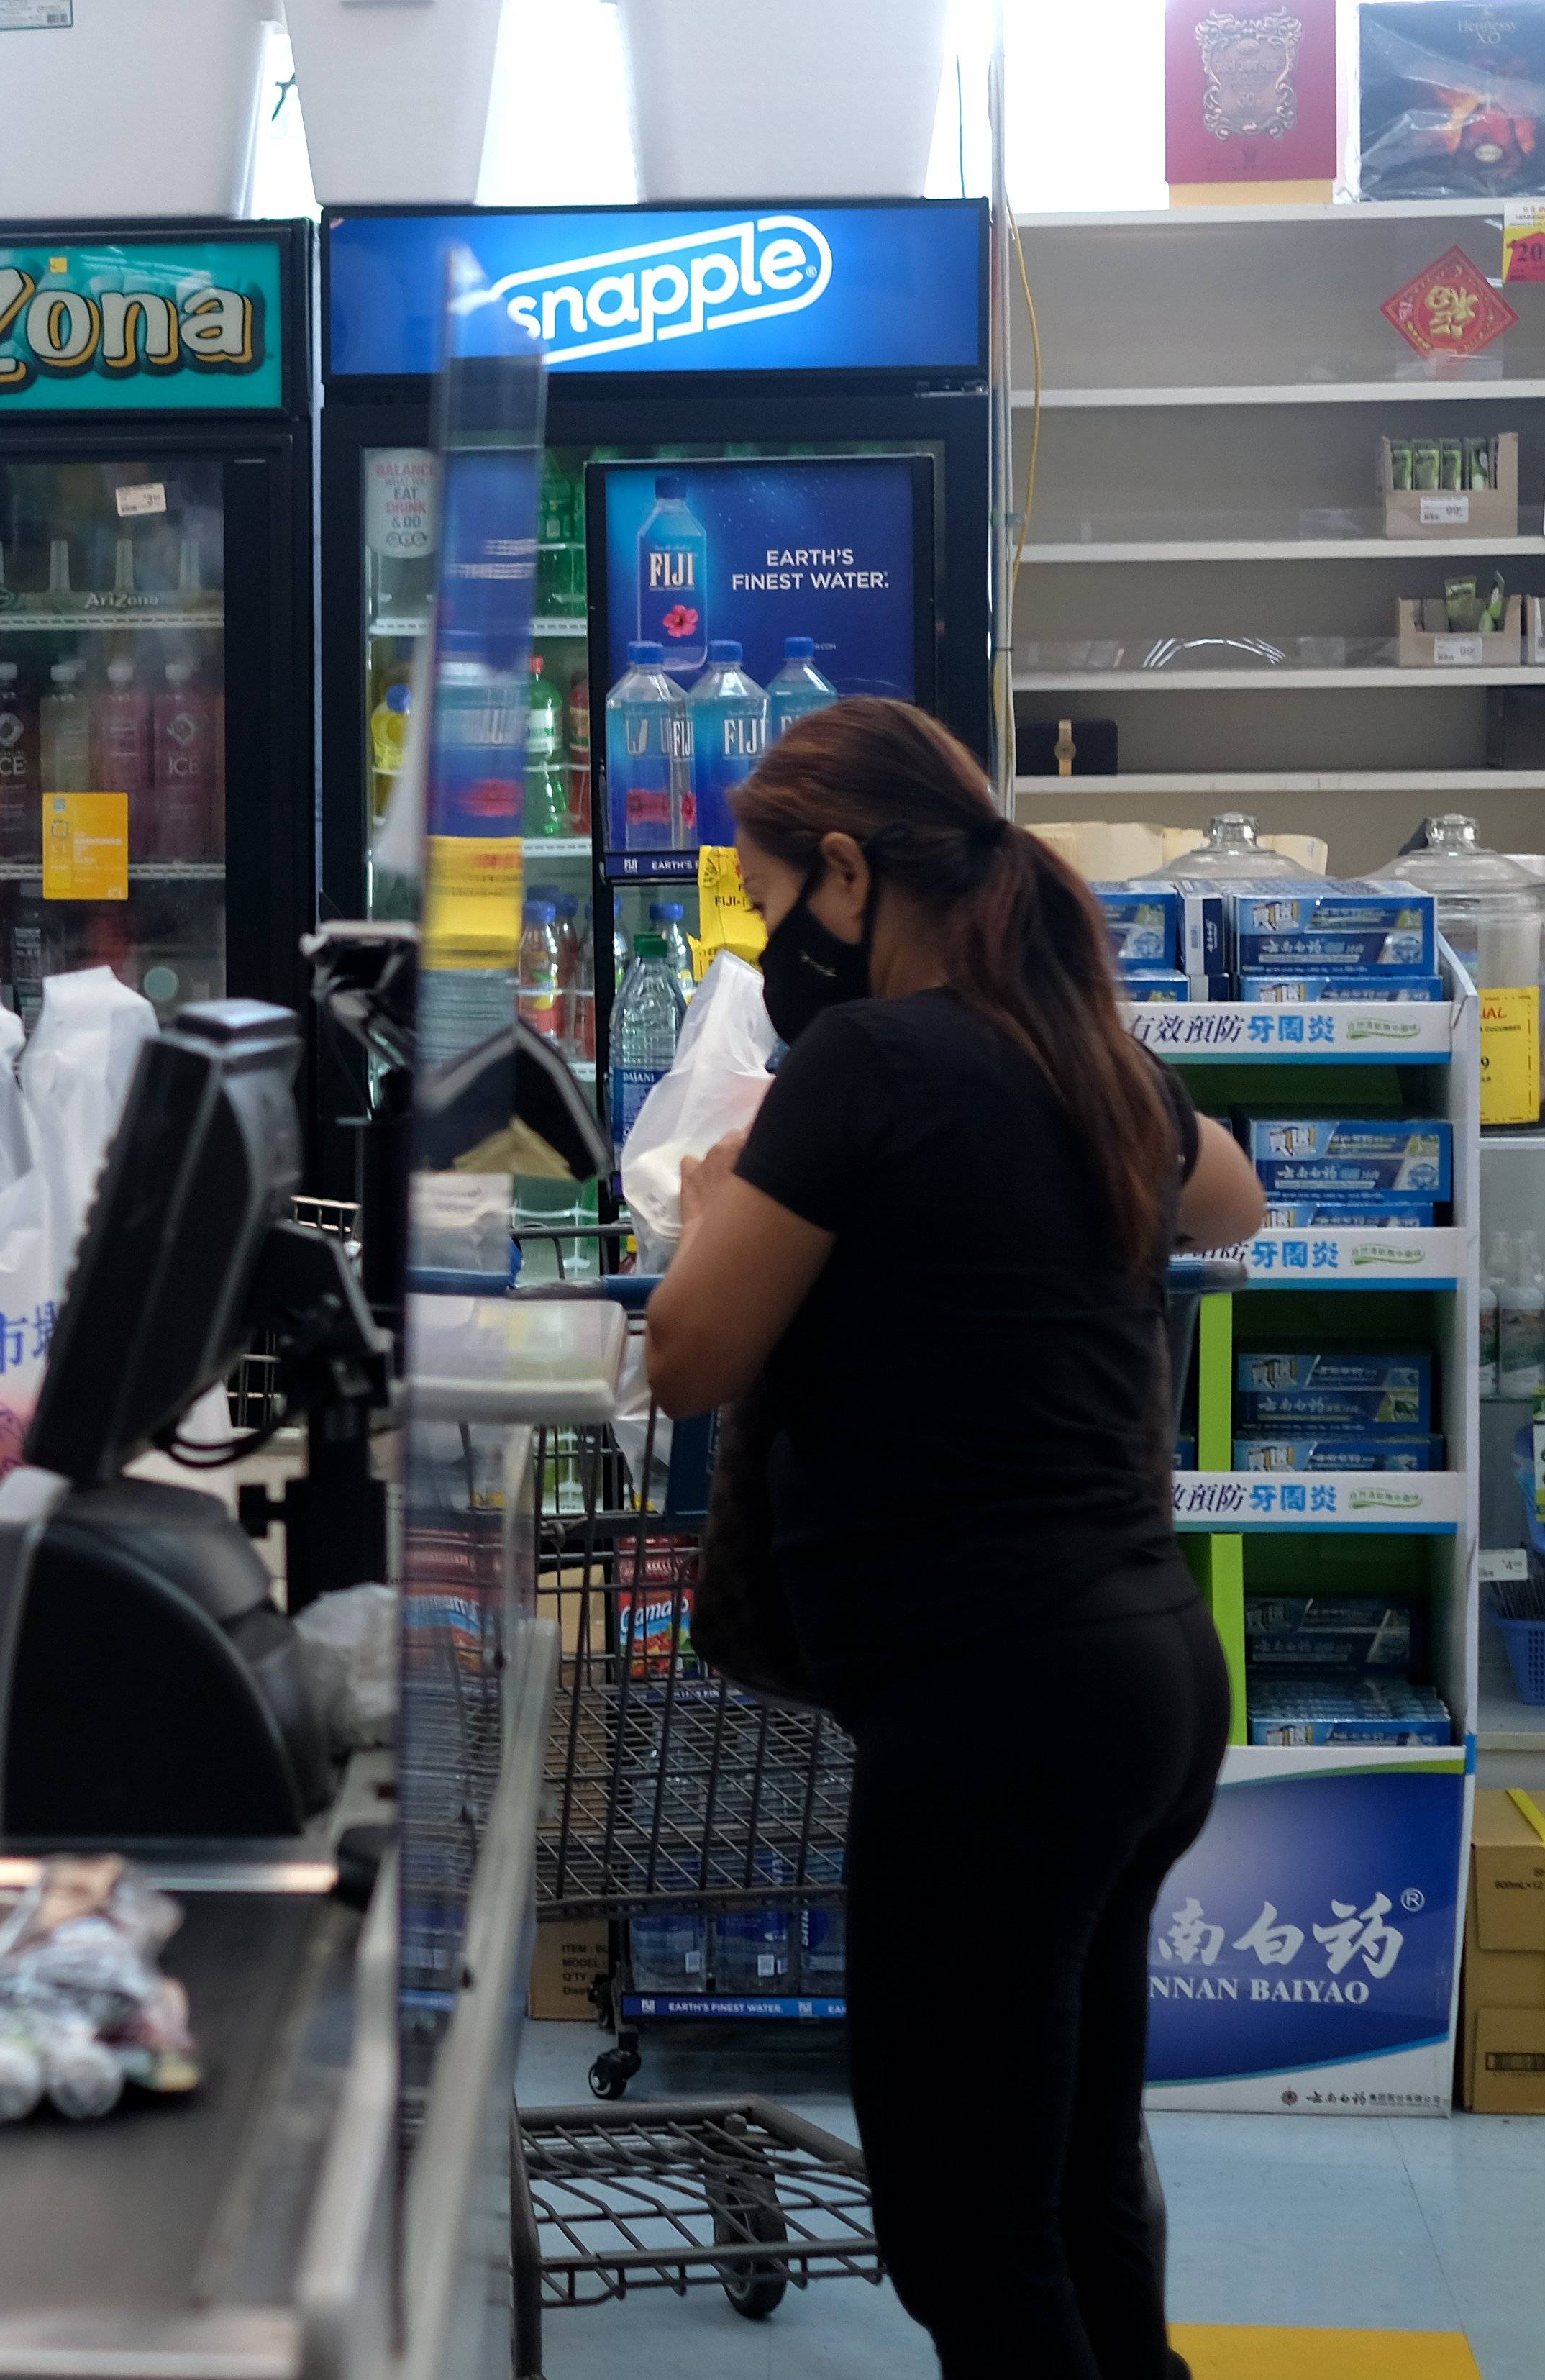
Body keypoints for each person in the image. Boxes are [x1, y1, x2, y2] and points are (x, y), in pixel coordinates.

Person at [642, 699, 1263, 2380]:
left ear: (848, 874)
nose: (774, 946)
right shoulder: (1084, 1054)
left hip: (993, 1705)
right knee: (1073, 2176)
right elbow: (1235, 1201)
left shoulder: (867, 1065)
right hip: (1147, 1673)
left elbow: (691, 1355)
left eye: (774, 907)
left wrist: (720, 1203)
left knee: (964, 2230)